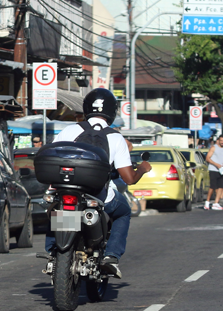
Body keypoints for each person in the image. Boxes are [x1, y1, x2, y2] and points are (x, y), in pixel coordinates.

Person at [45, 88, 151, 279]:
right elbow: (128, 179)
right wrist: (142, 168)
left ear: (86, 108)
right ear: (112, 111)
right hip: (98, 195)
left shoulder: (69, 130)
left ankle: (52, 250)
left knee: (58, 210)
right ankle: (111, 256)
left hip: (65, 190)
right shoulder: (116, 138)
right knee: (124, 211)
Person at [204, 135, 223, 210]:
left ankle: (216, 203)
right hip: (213, 169)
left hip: (221, 170)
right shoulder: (213, 148)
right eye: (221, 140)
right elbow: (207, 158)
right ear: (218, 140)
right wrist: (216, 164)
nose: (222, 142)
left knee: (221, 186)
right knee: (212, 187)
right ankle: (207, 202)